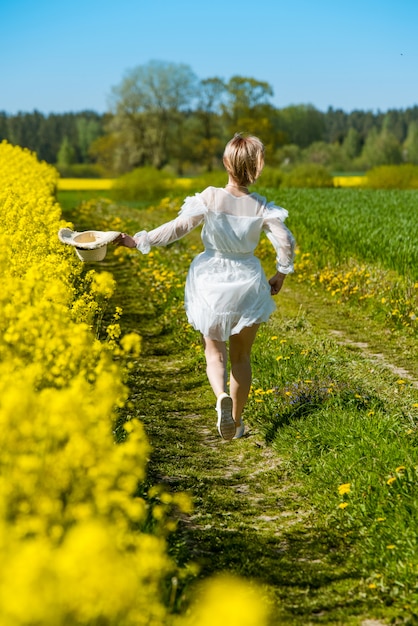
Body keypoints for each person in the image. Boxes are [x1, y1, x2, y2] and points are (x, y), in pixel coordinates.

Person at [116, 133, 295, 441]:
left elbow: (178, 227)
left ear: (226, 163)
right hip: (248, 281)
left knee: (215, 352)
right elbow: (286, 241)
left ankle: (220, 396)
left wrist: (139, 240)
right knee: (242, 357)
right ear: (257, 168)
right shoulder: (261, 206)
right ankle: (236, 423)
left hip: (212, 280)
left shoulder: (210, 197)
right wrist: (280, 273)